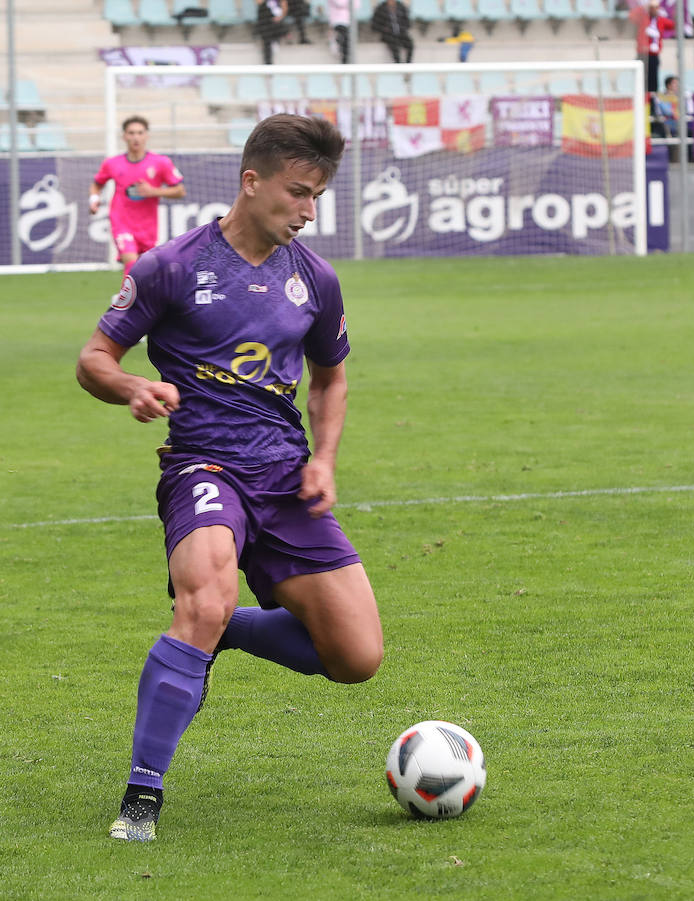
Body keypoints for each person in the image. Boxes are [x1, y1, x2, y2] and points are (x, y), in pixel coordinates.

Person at [78, 114, 384, 843]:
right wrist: (132, 388)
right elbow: (95, 357)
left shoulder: (315, 278)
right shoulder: (171, 267)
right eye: (299, 193)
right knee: (203, 597)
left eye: (317, 197)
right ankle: (141, 799)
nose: (308, 210)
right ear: (253, 182)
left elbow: (331, 379)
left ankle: (226, 637)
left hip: (285, 477)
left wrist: (325, 458)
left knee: (355, 657)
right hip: (202, 466)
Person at [89, 116, 186, 279]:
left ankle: (132, 301)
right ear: (124, 136)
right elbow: (97, 183)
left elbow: (180, 191)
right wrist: (93, 199)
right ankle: (127, 303)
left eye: (140, 133)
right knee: (131, 262)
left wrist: (153, 191)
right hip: (121, 222)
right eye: (131, 133)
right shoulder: (112, 163)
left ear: (146, 136)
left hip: (147, 226)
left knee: (145, 271)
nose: (136, 137)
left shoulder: (161, 162)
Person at [636, 0, 675, 94]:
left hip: (654, 54)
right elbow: (633, 17)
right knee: (643, 78)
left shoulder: (660, 20)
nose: (654, 10)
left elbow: (673, 25)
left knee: (653, 79)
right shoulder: (644, 19)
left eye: (656, 8)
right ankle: (644, 97)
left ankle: (653, 98)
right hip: (644, 54)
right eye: (652, 8)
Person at [254, 0, 290, 65]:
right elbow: (258, 2)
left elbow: (284, 7)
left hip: (276, 21)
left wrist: (280, 17)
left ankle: (276, 40)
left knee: (277, 26)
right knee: (266, 41)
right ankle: (268, 64)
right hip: (264, 21)